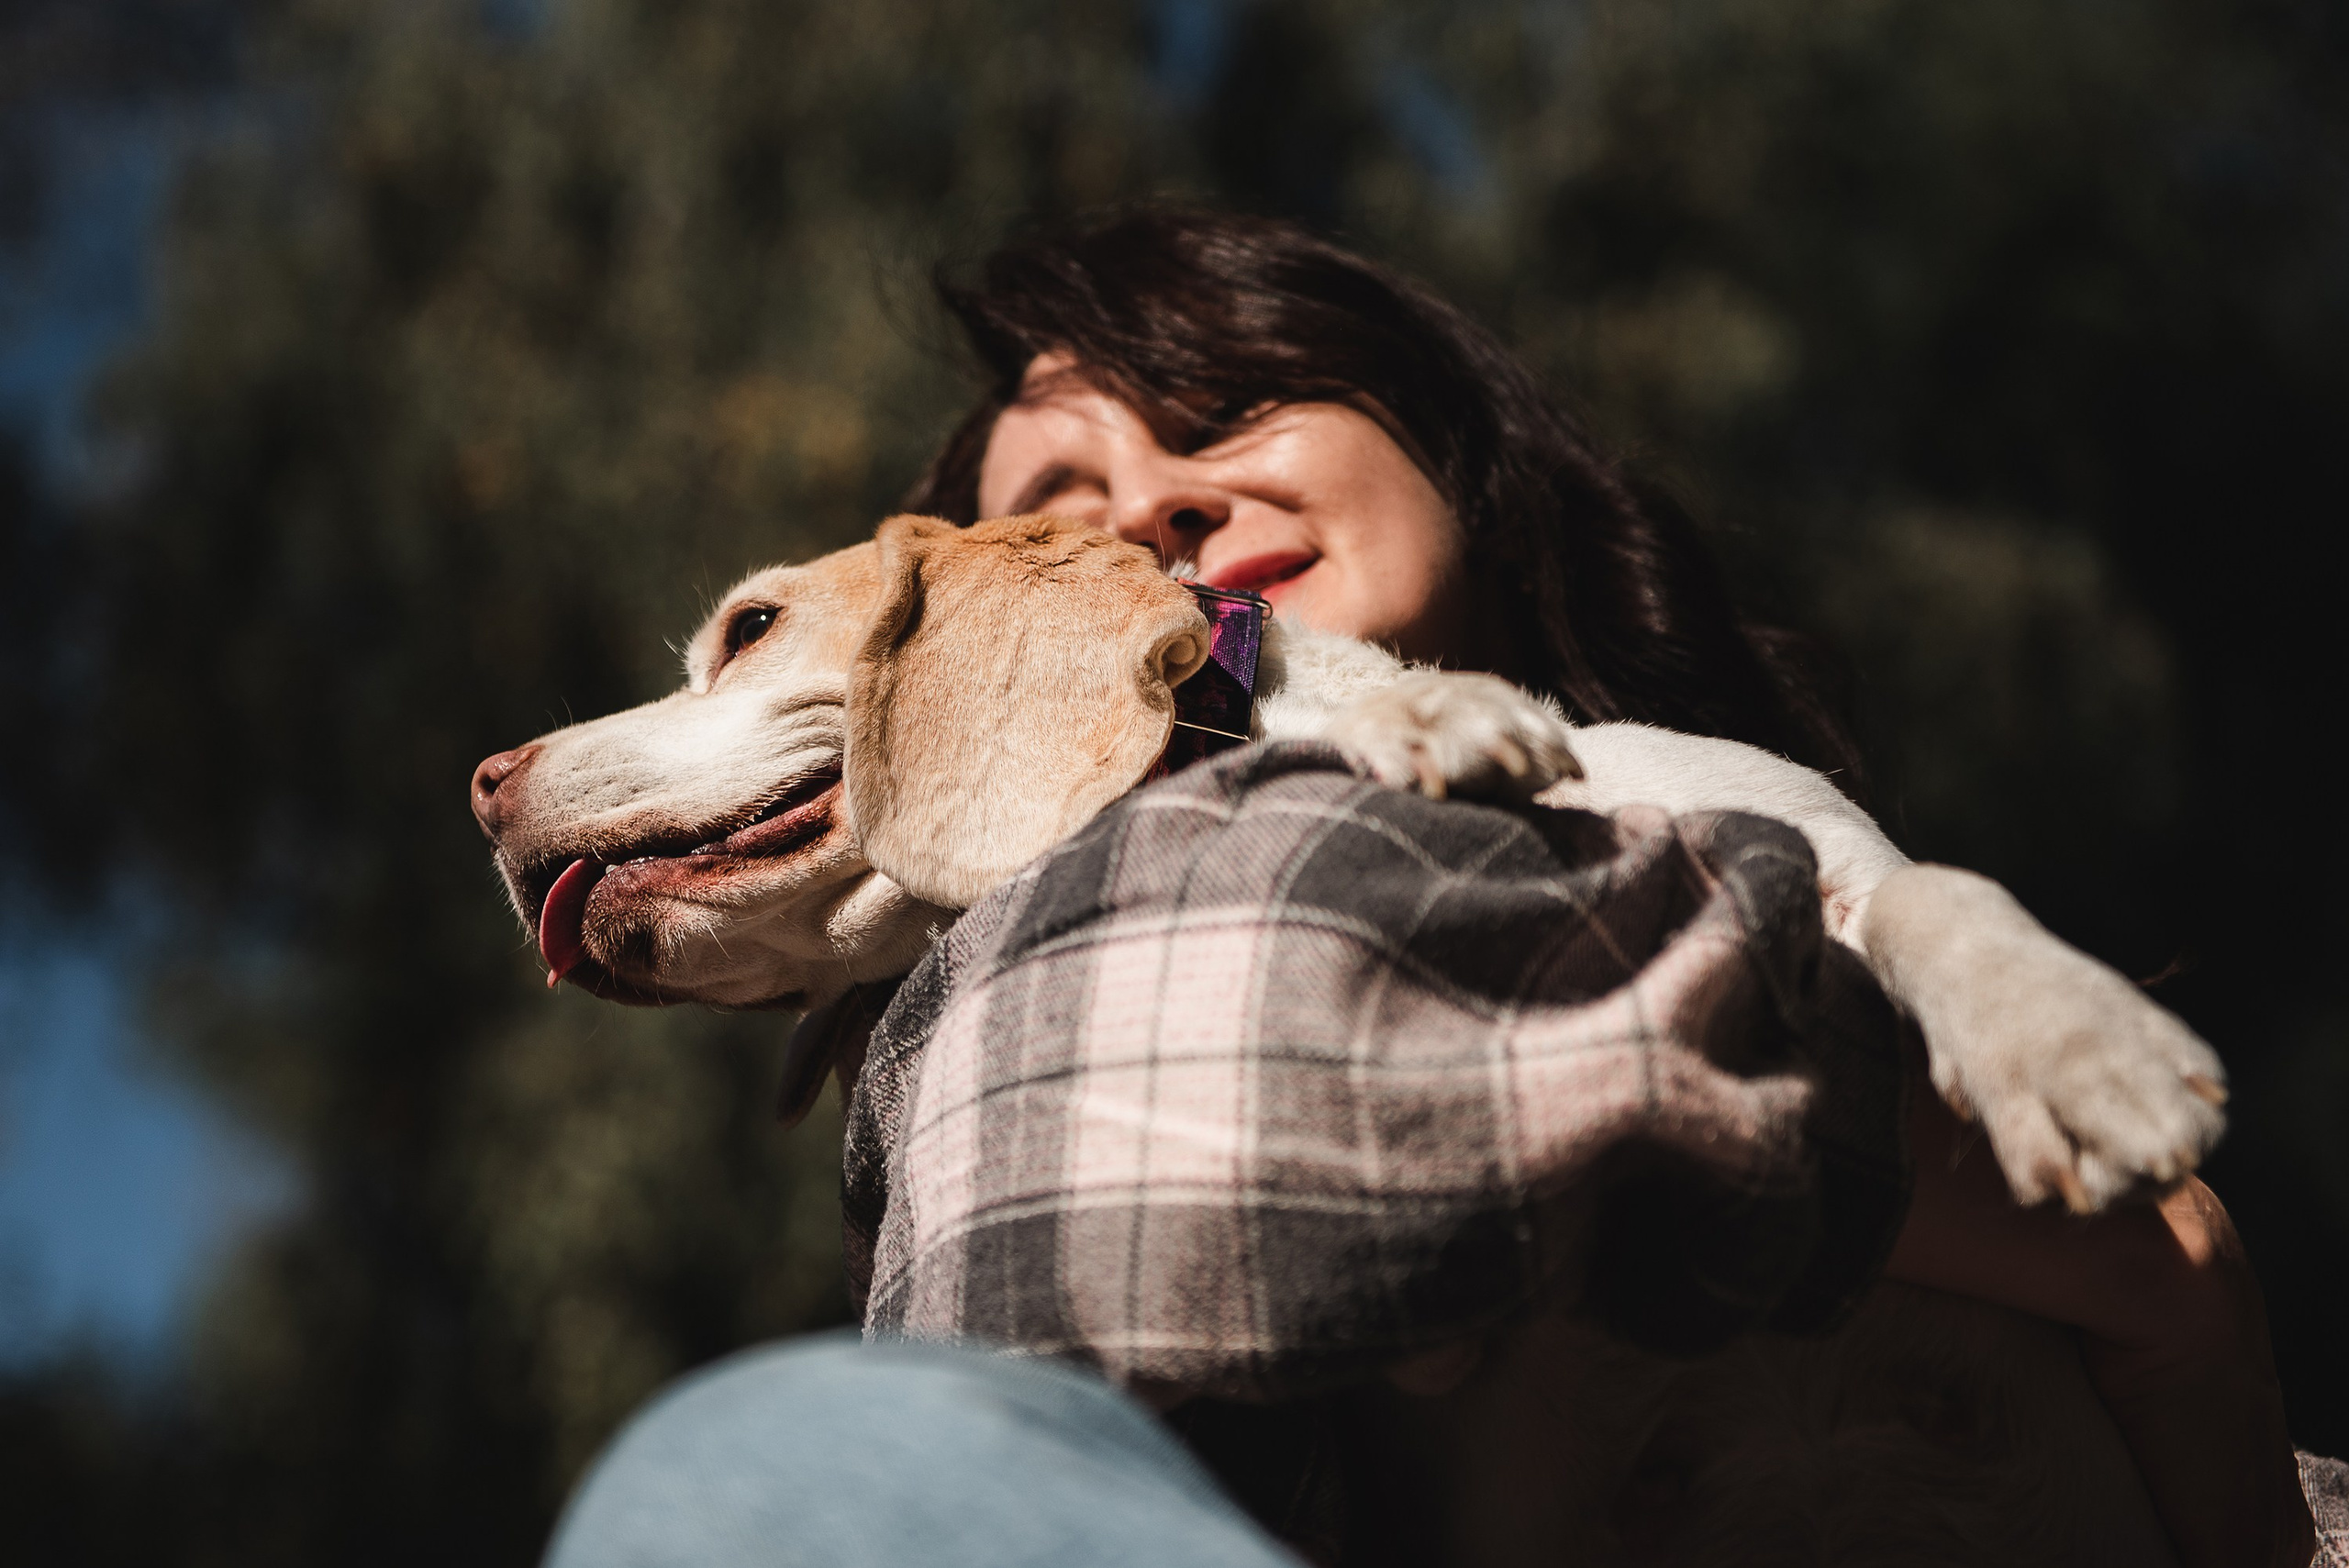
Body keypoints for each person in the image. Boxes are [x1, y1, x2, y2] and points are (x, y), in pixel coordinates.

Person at [552, 208, 2327, 1567]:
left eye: (1228, 409)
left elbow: (2161, 1248)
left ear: (1449, 446)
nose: (1156, 508)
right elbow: (2160, 1271)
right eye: (1059, 510)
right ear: (965, 678)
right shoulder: (1022, 986)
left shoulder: (1700, 796)